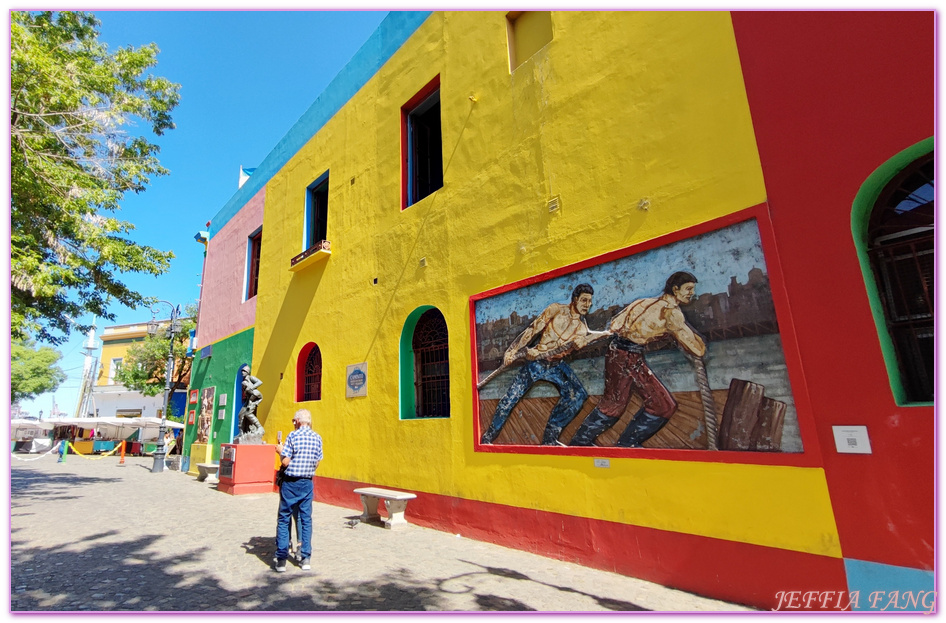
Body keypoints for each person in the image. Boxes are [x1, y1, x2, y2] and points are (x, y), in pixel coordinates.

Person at [569, 271, 706, 447]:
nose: (691, 293)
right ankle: (612, 443)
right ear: (675, 289)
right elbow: (698, 349)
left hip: (619, 353)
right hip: (628, 357)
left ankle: (600, 442)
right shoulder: (672, 313)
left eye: (692, 289)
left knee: (624, 403)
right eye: (688, 289)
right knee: (651, 405)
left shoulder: (644, 302)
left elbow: (616, 323)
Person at [480, 284, 610, 446]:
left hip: (556, 366)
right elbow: (532, 329)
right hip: (536, 363)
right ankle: (489, 436)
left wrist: (586, 341)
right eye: (584, 300)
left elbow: (585, 341)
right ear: (575, 299)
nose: (587, 305)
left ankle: (550, 438)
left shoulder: (582, 329)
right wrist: (513, 350)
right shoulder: (555, 310)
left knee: (578, 394)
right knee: (510, 399)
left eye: (590, 302)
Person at [273, 408, 323, 572]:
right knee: (306, 518)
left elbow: (285, 461)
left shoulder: (293, 436)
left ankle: (281, 559)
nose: (293, 424)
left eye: (294, 421)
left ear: (298, 421)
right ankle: (305, 557)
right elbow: (317, 462)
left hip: (291, 482)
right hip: (307, 482)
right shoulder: (317, 438)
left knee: (284, 517)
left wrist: (280, 451)